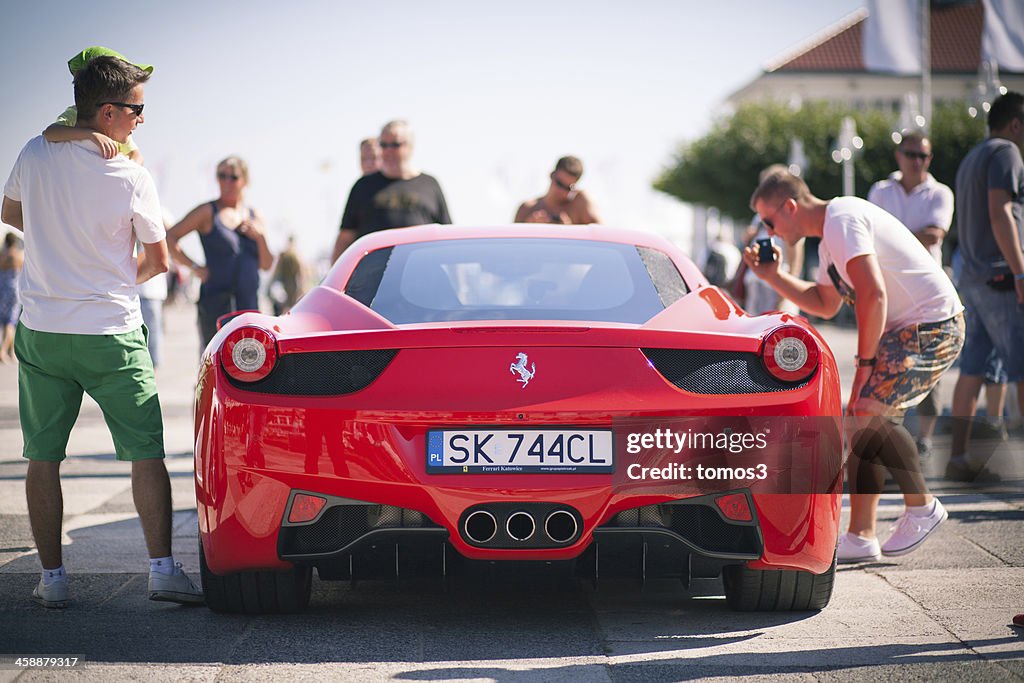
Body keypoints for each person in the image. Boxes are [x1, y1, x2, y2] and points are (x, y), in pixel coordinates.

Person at [1, 55, 202, 608]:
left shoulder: (35, 151)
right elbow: (160, 260)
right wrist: (110, 274)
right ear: (108, 111)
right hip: (110, 330)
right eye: (137, 110)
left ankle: (53, 581)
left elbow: (11, 211)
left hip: (41, 328)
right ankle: (162, 571)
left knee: (42, 458)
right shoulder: (132, 174)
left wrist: (57, 234)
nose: (142, 119)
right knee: (145, 453)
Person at [745, 169, 964, 563]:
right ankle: (862, 535)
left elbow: (873, 293)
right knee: (862, 418)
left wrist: (864, 364)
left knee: (869, 413)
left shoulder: (843, 220)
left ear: (790, 206)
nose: (768, 230)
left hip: (931, 326)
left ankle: (922, 506)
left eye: (769, 220)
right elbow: (825, 302)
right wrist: (774, 276)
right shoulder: (830, 239)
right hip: (910, 329)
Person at [946, 92, 1024, 482]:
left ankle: (958, 456)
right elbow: (1001, 212)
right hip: (1001, 277)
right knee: (1021, 369)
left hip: (974, 277)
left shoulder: (971, 157)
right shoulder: (1007, 153)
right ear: (1015, 124)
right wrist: (1021, 272)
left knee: (972, 368)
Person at [867, 131, 954, 461]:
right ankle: (892, 441)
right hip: (889, 294)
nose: (917, 161)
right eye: (911, 154)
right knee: (889, 367)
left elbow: (935, 233)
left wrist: (892, 238)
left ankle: (925, 440)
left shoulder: (939, 192)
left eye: (923, 156)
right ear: (898, 155)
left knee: (927, 370)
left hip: (927, 298)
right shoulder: (880, 190)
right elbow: (870, 234)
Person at [167, 156, 274, 351]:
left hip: (248, 306)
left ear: (245, 181)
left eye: (232, 177)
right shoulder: (208, 211)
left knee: (253, 366)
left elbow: (267, 265)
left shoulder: (254, 215)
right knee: (215, 364)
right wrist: (194, 267)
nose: (226, 182)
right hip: (216, 304)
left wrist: (259, 237)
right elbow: (170, 237)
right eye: (221, 176)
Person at [331, 120, 451, 262]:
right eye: (383, 145)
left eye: (395, 145)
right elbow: (345, 237)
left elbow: (447, 239)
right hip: (374, 278)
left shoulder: (430, 185)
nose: (388, 151)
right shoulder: (363, 186)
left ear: (410, 147)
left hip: (422, 272)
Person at [42, 46, 152, 165]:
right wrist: (90, 134)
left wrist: (126, 171)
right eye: (137, 109)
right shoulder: (74, 114)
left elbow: (137, 156)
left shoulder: (119, 131)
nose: (142, 119)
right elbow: (50, 132)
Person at [514, 156, 602, 225]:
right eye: (559, 183)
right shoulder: (527, 209)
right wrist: (529, 228)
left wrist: (570, 231)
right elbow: (514, 245)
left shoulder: (578, 205)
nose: (561, 191)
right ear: (551, 175)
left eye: (568, 188)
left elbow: (601, 236)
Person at [0, 232, 23, 362]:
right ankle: (3, 351)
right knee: (11, 322)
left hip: (2, 289)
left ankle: (11, 352)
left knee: (5, 322)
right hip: (13, 291)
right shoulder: (17, 255)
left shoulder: (2, 255)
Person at [270, 235, 306, 314]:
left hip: (289, 284)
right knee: (290, 309)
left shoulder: (287, 254)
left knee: (285, 308)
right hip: (290, 285)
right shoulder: (295, 255)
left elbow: (276, 271)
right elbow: (302, 273)